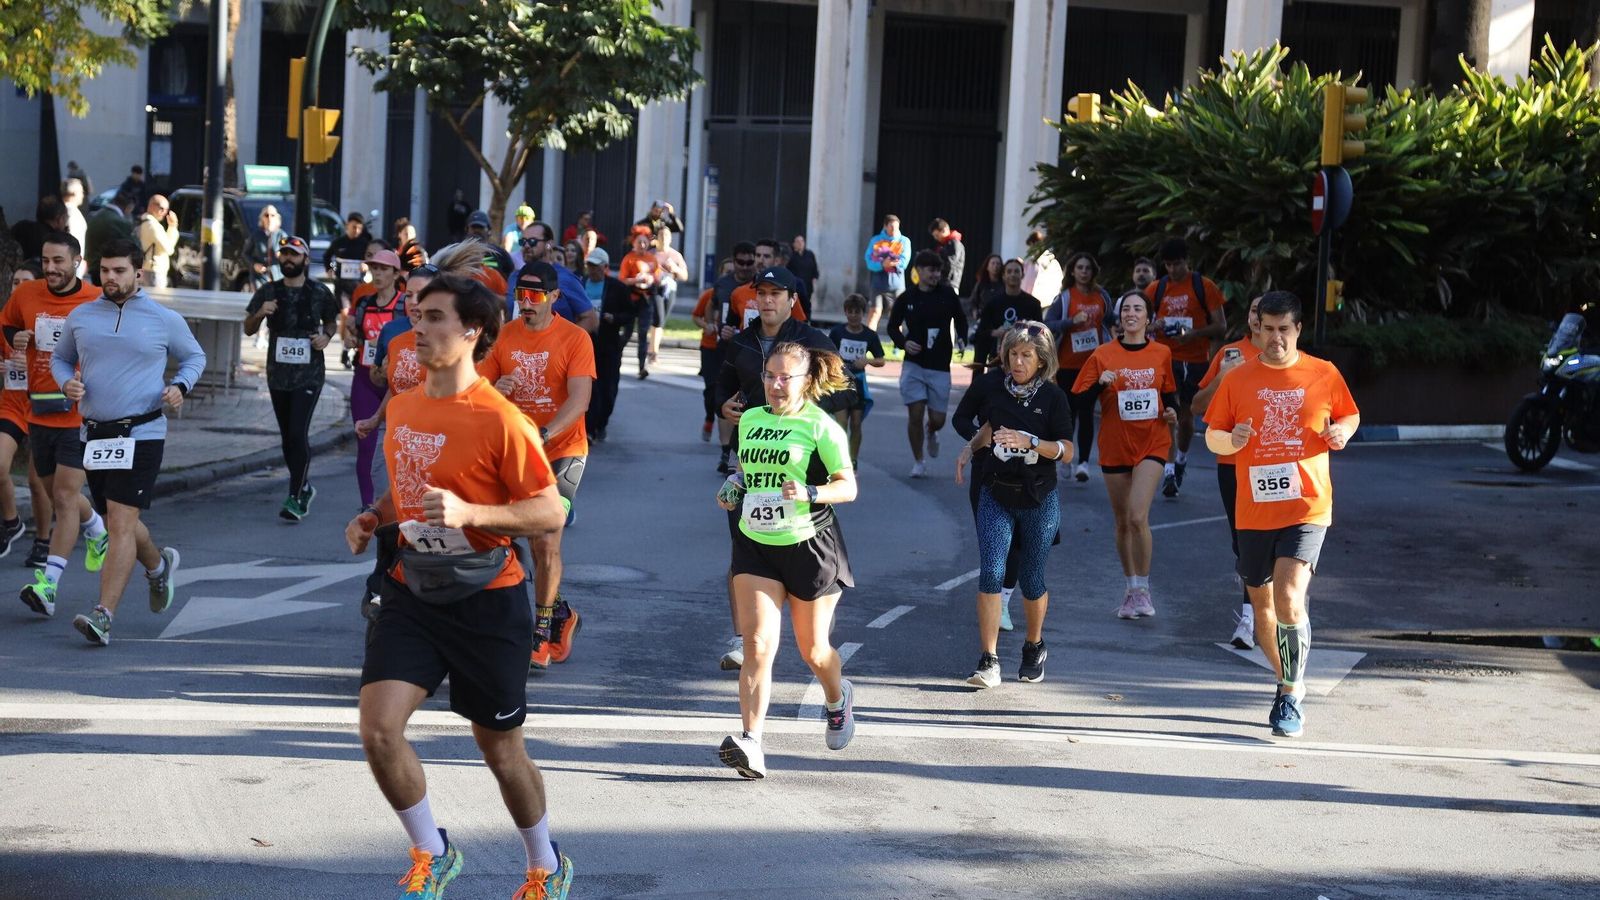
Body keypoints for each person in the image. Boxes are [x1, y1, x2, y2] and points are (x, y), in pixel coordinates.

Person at [344, 272, 575, 899]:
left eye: (435, 317)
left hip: (487, 597)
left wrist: (472, 515)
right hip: (412, 590)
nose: (418, 327)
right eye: (417, 315)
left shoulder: (503, 421)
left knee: (501, 752)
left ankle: (544, 863)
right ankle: (431, 849)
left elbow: (550, 513)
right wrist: (376, 516)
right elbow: (412, 483)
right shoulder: (405, 404)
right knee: (378, 730)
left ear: (472, 332)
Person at [1205, 290, 1359, 738]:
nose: (1275, 338)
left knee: (1290, 595)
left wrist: (1341, 433)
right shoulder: (1238, 378)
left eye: (1284, 330)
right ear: (1258, 328)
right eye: (1267, 329)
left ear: (1297, 331)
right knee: (1263, 607)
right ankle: (1288, 675)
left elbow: (1350, 416)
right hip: (1254, 509)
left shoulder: (1323, 373)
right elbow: (1212, 434)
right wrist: (1230, 441)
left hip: (1308, 505)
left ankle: (1289, 693)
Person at [715, 341, 857, 778]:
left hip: (809, 547)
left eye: (785, 378)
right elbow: (748, 471)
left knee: (814, 651)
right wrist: (734, 486)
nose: (776, 385)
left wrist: (812, 492)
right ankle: (752, 742)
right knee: (757, 645)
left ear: (806, 381)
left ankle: (837, 697)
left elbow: (848, 487)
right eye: (770, 376)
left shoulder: (822, 427)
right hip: (756, 543)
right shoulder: (752, 420)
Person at [53, 238, 202, 645]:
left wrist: (180, 386)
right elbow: (60, 357)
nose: (111, 278)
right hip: (96, 433)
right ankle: (157, 567)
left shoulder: (162, 318)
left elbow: (194, 357)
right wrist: (65, 381)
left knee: (119, 520)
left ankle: (103, 615)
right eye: (104, 271)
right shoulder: (82, 316)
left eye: (119, 271)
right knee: (121, 517)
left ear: (138, 272)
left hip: (143, 430)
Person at [479, 262, 596, 669]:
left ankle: (542, 631)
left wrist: (544, 434)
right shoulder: (503, 338)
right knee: (504, 538)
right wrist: (495, 390)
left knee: (546, 539)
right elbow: (477, 397)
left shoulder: (575, 338)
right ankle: (562, 611)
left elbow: (579, 400)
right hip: (515, 452)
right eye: (520, 296)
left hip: (563, 450)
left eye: (535, 296)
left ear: (554, 297)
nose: (526, 304)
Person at [954, 323, 1072, 688]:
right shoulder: (995, 390)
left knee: (1031, 579)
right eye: (1013, 355)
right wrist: (969, 449)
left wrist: (1031, 441)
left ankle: (1033, 646)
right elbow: (988, 427)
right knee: (991, 570)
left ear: (1042, 360)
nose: (1018, 362)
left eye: (1026, 356)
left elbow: (1067, 452)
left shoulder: (1053, 398)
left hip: (1038, 497)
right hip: (996, 492)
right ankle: (988, 660)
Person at [2, 232, 113, 619]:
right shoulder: (27, 293)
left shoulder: (96, 300)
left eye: (59, 262)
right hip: (39, 412)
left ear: (77, 262)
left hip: (80, 416)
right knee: (54, 493)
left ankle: (48, 585)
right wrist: (17, 342)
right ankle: (96, 526)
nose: (51, 269)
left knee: (64, 496)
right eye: (46, 261)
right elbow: (8, 324)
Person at [1072, 291, 1179, 619]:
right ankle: (1131, 588)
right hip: (1115, 443)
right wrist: (1099, 385)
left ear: (1148, 318)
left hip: (1152, 442)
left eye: (1138, 309)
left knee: (1136, 516)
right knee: (1121, 522)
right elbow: (1077, 401)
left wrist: (1172, 412)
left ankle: (1144, 590)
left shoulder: (1162, 353)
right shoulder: (1102, 355)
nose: (1132, 313)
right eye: (1126, 308)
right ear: (1120, 318)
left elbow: (1170, 394)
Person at [243, 236, 340, 520]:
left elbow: (333, 320)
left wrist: (326, 336)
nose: (288, 259)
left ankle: (295, 496)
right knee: (287, 438)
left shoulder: (319, 291)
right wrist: (261, 313)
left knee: (298, 433)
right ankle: (304, 485)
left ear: (305, 260)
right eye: (284, 254)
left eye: (294, 255)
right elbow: (248, 328)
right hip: (278, 375)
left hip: (309, 375)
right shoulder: (268, 291)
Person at [1195, 294, 1265, 649]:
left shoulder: (1294, 361)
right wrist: (1223, 376)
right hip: (1233, 467)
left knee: (1282, 543)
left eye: (1265, 311)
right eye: (1254, 310)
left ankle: (1268, 612)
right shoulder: (1229, 355)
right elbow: (1198, 406)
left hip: (1277, 466)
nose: (1258, 317)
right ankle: (1250, 619)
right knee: (1245, 543)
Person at [1144, 238, 1227, 498]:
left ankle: (1180, 459)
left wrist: (1194, 334)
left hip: (1195, 360)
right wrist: (1153, 327)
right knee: (1169, 412)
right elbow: (1141, 324)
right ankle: (1169, 470)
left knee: (1186, 417)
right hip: (1165, 359)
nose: (1173, 269)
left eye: (1177, 264)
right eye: (1168, 265)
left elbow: (1221, 327)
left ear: (1186, 261)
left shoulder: (1204, 287)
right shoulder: (1156, 289)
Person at [887, 249, 968, 478]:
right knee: (915, 413)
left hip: (940, 364)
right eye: (931, 270)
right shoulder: (907, 298)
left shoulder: (947, 294)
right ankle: (919, 461)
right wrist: (904, 343)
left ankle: (932, 431)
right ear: (919, 271)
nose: (936, 275)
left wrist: (962, 338)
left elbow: (961, 319)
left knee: (938, 419)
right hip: (914, 364)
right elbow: (892, 327)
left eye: (938, 270)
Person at [0, 259, 54, 566]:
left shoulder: (46, 321)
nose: (18, 288)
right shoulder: (4, 320)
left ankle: (44, 541)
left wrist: (31, 366)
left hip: (44, 405)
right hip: (12, 404)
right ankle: (12, 522)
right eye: (14, 282)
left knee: (37, 481)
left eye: (25, 283)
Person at [1044, 252, 1114, 482]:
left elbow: (1111, 320)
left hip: (1094, 363)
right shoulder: (1064, 298)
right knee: (1068, 413)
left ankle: (1083, 462)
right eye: (1080, 268)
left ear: (1093, 271)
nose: (1084, 272)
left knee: (1086, 411)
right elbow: (1048, 323)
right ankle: (1066, 458)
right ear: (1072, 272)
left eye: (1088, 268)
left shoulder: (1101, 296)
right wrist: (1070, 322)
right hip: (1068, 364)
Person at [347, 249, 407, 508]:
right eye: (375, 268)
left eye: (384, 269)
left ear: (396, 273)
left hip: (395, 383)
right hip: (364, 377)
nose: (378, 274)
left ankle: (395, 502)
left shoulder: (405, 305)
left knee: (396, 446)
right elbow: (353, 334)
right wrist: (351, 339)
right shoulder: (364, 303)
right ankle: (367, 506)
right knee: (365, 443)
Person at [580, 248, 634, 442]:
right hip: (586, 344)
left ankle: (602, 421)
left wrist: (615, 318)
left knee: (608, 389)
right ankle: (590, 427)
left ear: (604, 267)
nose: (591, 270)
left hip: (609, 345)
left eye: (595, 266)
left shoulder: (617, 288)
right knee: (589, 388)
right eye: (589, 266)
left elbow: (629, 315)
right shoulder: (581, 284)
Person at [827, 294, 886, 468]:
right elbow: (828, 354)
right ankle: (841, 459)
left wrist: (866, 361)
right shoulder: (837, 332)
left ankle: (853, 459)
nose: (853, 315)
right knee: (842, 423)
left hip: (859, 383)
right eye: (850, 312)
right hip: (840, 382)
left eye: (857, 312)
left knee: (856, 423)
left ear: (863, 313)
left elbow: (881, 360)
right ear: (845, 312)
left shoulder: (869, 335)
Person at [509, 222, 598, 333]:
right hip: (518, 347)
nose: (526, 246)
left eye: (532, 241)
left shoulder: (565, 278)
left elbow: (590, 319)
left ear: (548, 244)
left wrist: (563, 344)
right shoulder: (514, 277)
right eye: (523, 242)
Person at [972, 258, 1042, 375]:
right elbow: (980, 333)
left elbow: (1041, 333)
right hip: (997, 360)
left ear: (1022, 275)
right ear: (1003, 276)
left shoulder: (1033, 304)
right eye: (1009, 272)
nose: (1013, 275)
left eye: (1016, 271)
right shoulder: (993, 304)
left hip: (1024, 361)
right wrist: (996, 332)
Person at [863, 215, 912, 332]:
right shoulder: (875, 240)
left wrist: (893, 263)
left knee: (896, 314)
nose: (894, 230)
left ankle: (897, 344)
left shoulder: (904, 241)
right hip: (878, 284)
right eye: (891, 227)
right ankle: (869, 339)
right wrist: (881, 265)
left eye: (896, 227)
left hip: (897, 285)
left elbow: (904, 262)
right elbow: (869, 261)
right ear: (885, 226)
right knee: (874, 311)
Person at [83, 191, 137, 283]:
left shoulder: (96, 216)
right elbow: (134, 246)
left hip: (94, 267)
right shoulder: (120, 222)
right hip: (110, 270)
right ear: (129, 207)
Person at [135, 195, 179, 289]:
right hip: (154, 271)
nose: (164, 212)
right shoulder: (153, 225)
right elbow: (169, 249)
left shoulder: (143, 221)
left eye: (167, 209)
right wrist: (173, 227)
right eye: (161, 208)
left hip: (145, 268)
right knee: (156, 300)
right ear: (151, 206)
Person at [244, 206, 286, 291]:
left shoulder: (281, 235)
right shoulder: (256, 235)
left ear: (277, 218)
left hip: (277, 275)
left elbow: (288, 253)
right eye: (266, 215)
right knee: (261, 300)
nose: (269, 218)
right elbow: (245, 253)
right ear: (262, 218)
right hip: (259, 276)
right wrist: (254, 264)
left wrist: (282, 255)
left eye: (272, 215)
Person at [1020, 229, 1062, 308]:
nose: (1030, 249)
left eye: (1031, 246)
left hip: (1045, 303)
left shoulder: (1050, 261)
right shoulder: (1030, 262)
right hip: (1031, 302)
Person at [965, 253, 1004, 336]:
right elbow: (973, 301)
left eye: (998, 264)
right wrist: (974, 311)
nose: (995, 266)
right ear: (987, 266)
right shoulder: (981, 284)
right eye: (993, 263)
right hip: (983, 320)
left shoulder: (1004, 285)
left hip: (1000, 322)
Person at [929, 218, 966, 292]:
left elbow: (950, 264)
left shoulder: (954, 243)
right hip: (943, 283)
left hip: (949, 284)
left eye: (937, 235)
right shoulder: (945, 245)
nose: (936, 238)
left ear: (944, 230)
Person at [786, 235, 820, 310]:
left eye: (802, 241)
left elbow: (814, 267)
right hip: (796, 286)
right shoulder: (791, 256)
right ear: (794, 244)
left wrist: (815, 277)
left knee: (806, 305)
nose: (800, 243)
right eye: (798, 241)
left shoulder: (810, 254)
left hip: (808, 285)